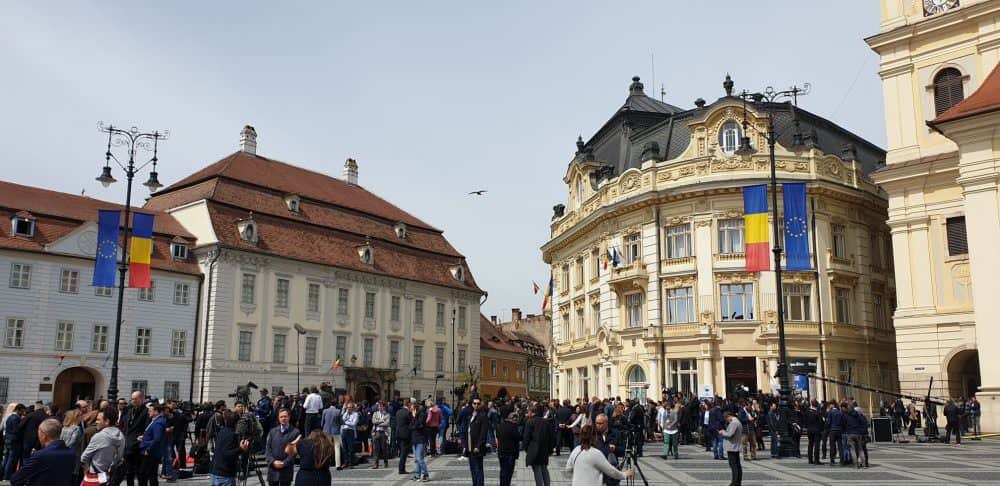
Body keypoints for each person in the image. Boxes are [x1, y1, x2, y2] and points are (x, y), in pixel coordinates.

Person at [10, 418, 75, 486]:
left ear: (44, 435)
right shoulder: (71, 453)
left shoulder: (41, 455)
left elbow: (16, 479)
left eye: (39, 433)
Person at [565, 425, 632, 486]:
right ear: (594, 437)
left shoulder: (576, 450)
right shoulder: (596, 453)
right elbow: (610, 471)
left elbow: (568, 469)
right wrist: (624, 474)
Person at [82, 406, 126, 484]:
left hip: (96, 477)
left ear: (107, 421)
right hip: (111, 477)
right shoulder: (121, 435)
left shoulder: (99, 436)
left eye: (98, 419)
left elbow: (84, 458)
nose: (96, 422)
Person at [117, 391, 151, 486]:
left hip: (138, 446)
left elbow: (147, 428)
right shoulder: (128, 410)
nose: (133, 401)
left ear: (141, 399)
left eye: (135, 399)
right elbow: (123, 425)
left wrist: (142, 438)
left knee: (141, 473)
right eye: (132, 399)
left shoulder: (146, 411)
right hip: (127, 445)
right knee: (129, 472)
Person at [211, 412, 251, 486]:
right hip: (225, 474)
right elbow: (227, 453)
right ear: (236, 423)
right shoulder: (231, 435)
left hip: (216, 471)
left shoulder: (222, 431)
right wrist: (241, 449)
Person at [265, 408, 300, 486]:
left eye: (285, 416)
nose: (283, 418)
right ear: (278, 418)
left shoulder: (295, 432)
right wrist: (273, 461)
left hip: (286, 469)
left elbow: (294, 452)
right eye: (281, 417)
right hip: (273, 468)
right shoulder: (272, 431)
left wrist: (285, 462)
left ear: (289, 417)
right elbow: (268, 448)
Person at [138, 404, 168, 486]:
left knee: (146, 474)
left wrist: (148, 448)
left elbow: (157, 439)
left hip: (151, 452)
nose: (148, 412)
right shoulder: (155, 420)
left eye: (150, 411)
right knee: (149, 474)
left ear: (156, 411)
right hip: (150, 450)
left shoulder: (158, 422)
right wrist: (143, 437)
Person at [466, 398, 488, 486]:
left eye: (478, 403)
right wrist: (465, 446)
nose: (476, 405)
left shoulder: (483, 416)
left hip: (477, 447)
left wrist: (478, 446)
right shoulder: (471, 415)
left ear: (481, 404)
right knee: (472, 469)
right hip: (470, 446)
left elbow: (483, 433)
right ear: (472, 404)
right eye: (474, 403)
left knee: (478, 469)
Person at [496, 412, 522, 486]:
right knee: (508, 473)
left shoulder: (500, 425)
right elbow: (518, 437)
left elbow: (498, 436)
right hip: (510, 453)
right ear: (513, 419)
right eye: (516, 420)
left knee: (503, 471)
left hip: (501, 452)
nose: (516, 422)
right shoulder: (513, 427)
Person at [718, 412, 743, 486]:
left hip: (732, 447)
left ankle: (735, 482)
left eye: (727, 419)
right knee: (737, 465)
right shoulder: (737, 421)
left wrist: (723, 432)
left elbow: (730, 434)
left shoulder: (734, 423)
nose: (727, 421)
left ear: (728, 416)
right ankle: (738, 481)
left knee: (734, 465)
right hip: (735, 446)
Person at [61, 409, 85, 486]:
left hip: (63, 454)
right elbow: (73, 442)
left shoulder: (64, 428)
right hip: (73, 455)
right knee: (73, 477)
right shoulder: (76, 429)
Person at [2, 404, 25, 480]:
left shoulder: (9, 417)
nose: (23, 412)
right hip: (14, 441)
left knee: (6, 458)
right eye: (22, 410)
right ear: (19, 410)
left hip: (7, 440)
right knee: (11, 459)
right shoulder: (16, 418)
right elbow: (16, 430)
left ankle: (2, 475)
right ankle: (7, 476)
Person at [410, 400, 429, 482]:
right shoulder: (413, 415)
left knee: (419, 458)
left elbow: (418, 425)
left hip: (421, 439)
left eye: (410, 406)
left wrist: (414, 418)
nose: (409, 408)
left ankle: (426, 474)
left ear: (414, 406)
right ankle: (418, 475)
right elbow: (410, 426)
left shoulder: (422, 414)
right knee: (417, 459)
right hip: (414, 439)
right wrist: (413, 419)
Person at [320, 401, 342, 470]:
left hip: (326, 430)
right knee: (337, 447)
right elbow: (341, 422)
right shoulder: (338, 411)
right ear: (336, 404)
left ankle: (326, 463)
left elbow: (322, 422)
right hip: (336, 431)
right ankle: (338, 465)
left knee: (326, 447)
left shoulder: (325, 411)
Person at [395, 398, 412, 475]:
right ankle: (401, 469)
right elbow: (411, 423)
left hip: (398, 434)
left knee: (402, 452)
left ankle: (401, 468)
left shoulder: (398, 411)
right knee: (404, 453)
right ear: (408, 404)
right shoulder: (408, 413)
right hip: (405, 435)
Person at [804, 400, 824, 465]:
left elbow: (805, 421)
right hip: (816, 430)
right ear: (817, 405)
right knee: (817, 445)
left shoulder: (807, 411)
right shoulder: (817, 412)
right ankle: (816, 460)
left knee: (810, 444)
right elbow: (821, 422)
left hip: (809, 430)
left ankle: (810, 460)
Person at [371, 402, 391, 469]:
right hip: (376, 432)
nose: (380, 408)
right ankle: (376, 463)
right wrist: (381, 421)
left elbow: (387, 423)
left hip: (383, 433)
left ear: (384, 407)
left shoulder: (387, 414)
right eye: (379, 406)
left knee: (384, 449)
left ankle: (386, 462)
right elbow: (373, 421)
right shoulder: (375, 413)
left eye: (381, 406)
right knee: (376, 449)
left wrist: (378, 423)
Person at [340, 402, 358, 469]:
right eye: (348, 407)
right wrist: (346, 413)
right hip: (344, 431)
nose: (349, 409)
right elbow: (342, 420)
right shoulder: (345, 413)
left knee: (351, 448)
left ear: (353, 408)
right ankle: (345, 462)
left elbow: (353, 423)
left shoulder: (355, 414)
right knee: (345, 448)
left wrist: (346, 422)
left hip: (350, 431)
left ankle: (351, 463)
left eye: (350, 407)